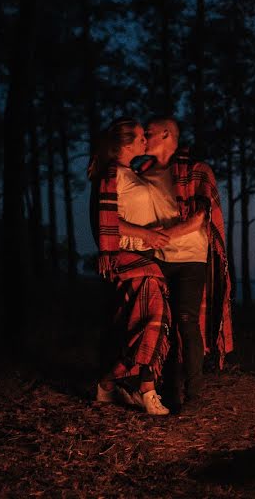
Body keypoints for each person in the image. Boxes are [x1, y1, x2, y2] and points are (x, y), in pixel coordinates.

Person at [139, 116, 233, 411]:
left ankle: (193, 394)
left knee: (187, 320)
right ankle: (168, 391)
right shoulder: (142, 173)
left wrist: (163, 235)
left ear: (166, 134)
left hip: (191, 258)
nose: (144, 138)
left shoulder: (197, 170)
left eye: (149, 133)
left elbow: (200, 218)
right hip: (157, 259)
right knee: (161, 324)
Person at [87, 117, 173, 416]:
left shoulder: (132, 173)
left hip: (146, 257)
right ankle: (147, 391)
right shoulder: (112, 175)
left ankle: (108, 384)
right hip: (126, 256)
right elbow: (106, 221)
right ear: (124, 144)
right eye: (139, 138)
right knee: (153, 318)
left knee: (140, 325)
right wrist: (145, 234)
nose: (144, 141)